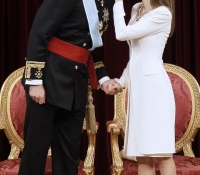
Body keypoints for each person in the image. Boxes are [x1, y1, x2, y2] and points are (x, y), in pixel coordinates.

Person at [18, 0, 121, 175]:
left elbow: (88, 47)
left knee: (69, 156)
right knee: (36, 152)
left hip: (76, 84)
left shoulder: (106, 3)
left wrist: (104, 79)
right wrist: (35, 82)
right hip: (49, 79)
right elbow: (39, 33)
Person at [109, 0, 176, 174]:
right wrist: (122, 81)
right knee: (142, 157)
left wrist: (117, 3)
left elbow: (122, 34)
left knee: (163, 155)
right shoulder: (136, 9)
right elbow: (136, 55)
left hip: (155, 91)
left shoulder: (163, 13)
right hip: (138, 91)